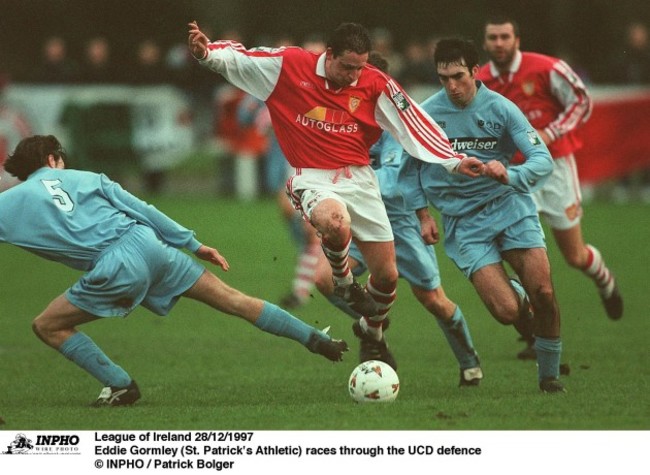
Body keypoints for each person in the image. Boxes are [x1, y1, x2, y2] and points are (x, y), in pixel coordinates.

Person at [187, 21, 484, 370]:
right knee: (335, 223)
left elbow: (413, 121)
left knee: (387, 277)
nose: (354, 75)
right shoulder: (291, 65)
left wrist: (454, 160)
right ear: (328, 55)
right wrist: (207, 54)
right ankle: (344, 282)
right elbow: (244, 58)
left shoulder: (374, 82)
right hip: (311, 177)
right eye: (347, 67)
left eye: (360, 67)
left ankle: (371, 333)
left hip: (359, 179)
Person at [0, 135, 348, 407]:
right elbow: (142, 208)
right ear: (51, 159)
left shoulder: (10, 201)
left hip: (115, 264)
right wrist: (193, 244)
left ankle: (120, 385)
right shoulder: (88, 178)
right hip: (151, 244)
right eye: (60, 159)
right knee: (234, 299)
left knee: (46, 324)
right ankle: (315, 338)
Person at [399, 38, 565, 393]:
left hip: (509, 207)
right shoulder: (427, 114)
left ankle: (548, 377)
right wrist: (423, 216)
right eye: (443, 78)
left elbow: (542, 159)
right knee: (506, 311)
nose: (451, 86)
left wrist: (512, 175)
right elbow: (409, 169)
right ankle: (521, 302)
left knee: (545, 293)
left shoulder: (502, 109)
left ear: (476, 71)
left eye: (458, 76)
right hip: (464, 224)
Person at [477, 16, 623, 343]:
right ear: (485, 42)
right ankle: (536, 332)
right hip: (512, 175)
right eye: (492, 38)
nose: (499, 43)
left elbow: (582, 101)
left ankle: (605, 281)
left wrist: (551, 132)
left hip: (554, 168)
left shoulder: (547, 68)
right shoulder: (481, 80)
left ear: (516, 38)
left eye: (504, 36)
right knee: (518, 254)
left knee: (574, 255)